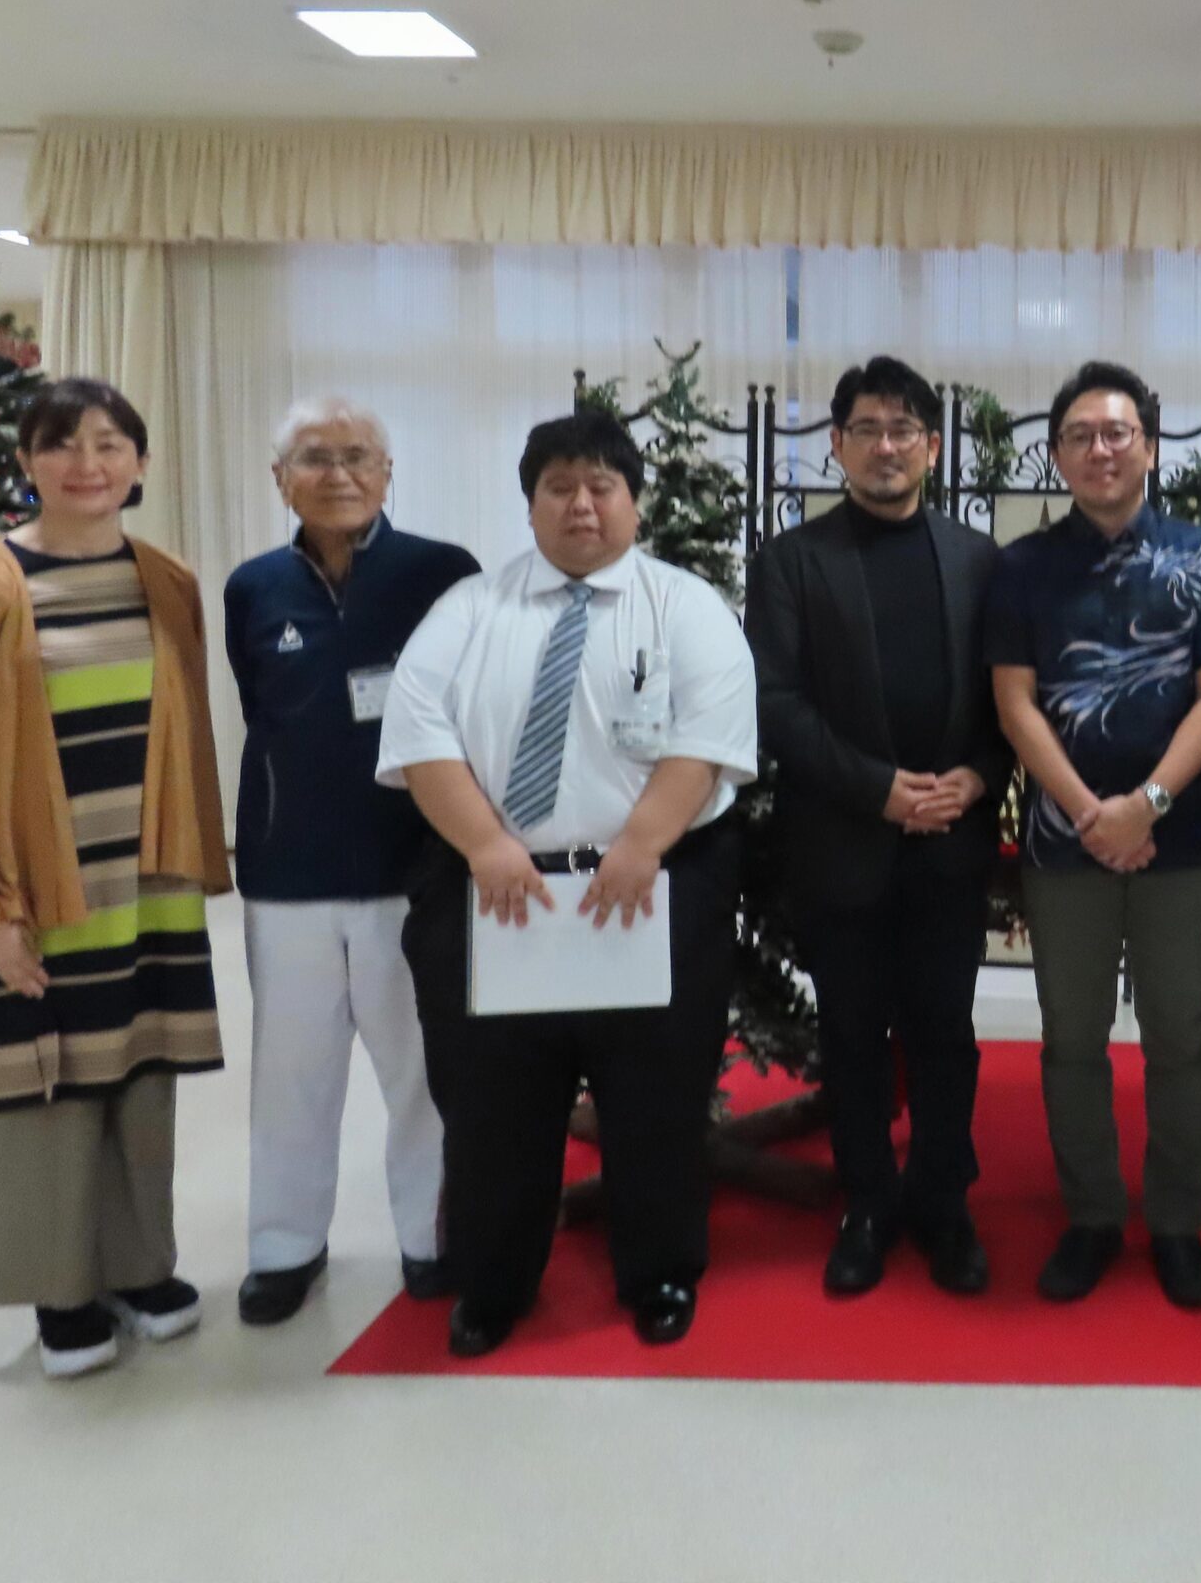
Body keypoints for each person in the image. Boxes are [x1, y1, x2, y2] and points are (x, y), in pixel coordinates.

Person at [377, 408, 759, 1357]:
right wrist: (486, 846)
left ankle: (660, 1271)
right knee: (494, 1108)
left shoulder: (687, 607)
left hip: (652, 888)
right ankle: (494, 1284)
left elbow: (708, 738)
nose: (581, 505)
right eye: (559, 488)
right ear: (531, 504)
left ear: (634, 501)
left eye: (601, 486)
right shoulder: (470, 610)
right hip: (498, 894)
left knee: (657, 1100)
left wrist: (641, 844)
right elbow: (419, 733)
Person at [0, 377, 229, 1379]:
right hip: (36, 885)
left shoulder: (166, 579)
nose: (86, 464)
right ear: (26, 461)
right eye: (61, 444)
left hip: (147, 876)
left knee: (139, 1072)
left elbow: (187, 730)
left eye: (108, 444)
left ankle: (139, 1266)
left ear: (140, 463)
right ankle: (61, 1288)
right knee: (45, 1089)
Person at [745, 356, 1011, 1298]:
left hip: (950, 844)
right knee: (853, 1035)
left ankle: (943, 1202)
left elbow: (1011, 696)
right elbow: (776, 705)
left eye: (904, 430)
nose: (886, 446)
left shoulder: (979, 560)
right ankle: (865, 1205)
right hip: (842, 844)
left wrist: (980, 776)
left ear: (932, 446)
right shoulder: (791, 561)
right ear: (837, 444)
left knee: (945, 1032)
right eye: (867, 429)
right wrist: (879, 790)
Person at [988, 360, 1201, 1309]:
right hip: (1065, 845)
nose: (1100, 449)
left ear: (1149, 445)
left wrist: (1149, 803)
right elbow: (1015, 704)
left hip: (1183, 839)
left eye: (1117, 432)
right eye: (1080, 436)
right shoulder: (1020, 567)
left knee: (1179, 1036)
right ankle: (1093, 1216)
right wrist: (1093, 815)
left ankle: (1177, 1223)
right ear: (1057, 455)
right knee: (1072, 1038)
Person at [224, 398, 479, 1326]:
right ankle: (285, 1247)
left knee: (422, 1072)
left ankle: (433, 1237)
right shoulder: (253, 588)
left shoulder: (443, 575)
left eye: (358, 455)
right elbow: (260, 707)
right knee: (291, 1074)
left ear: (387, 471)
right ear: (280, 478)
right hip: (287, 874)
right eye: (314, 457)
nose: (338, 474)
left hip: (414, 871)